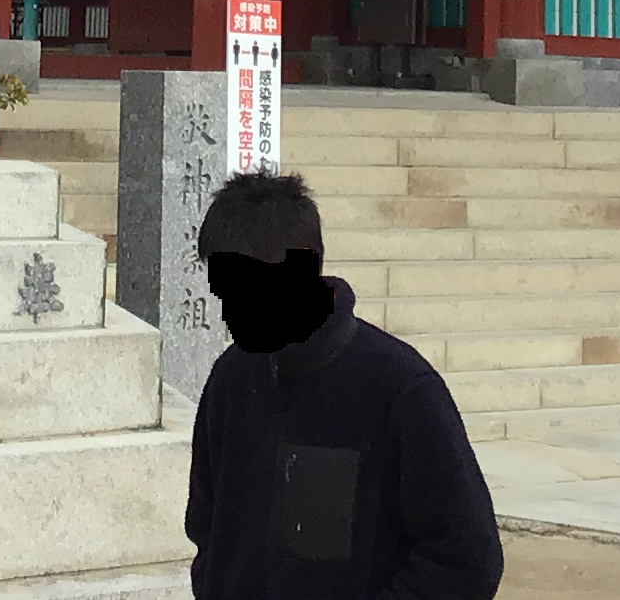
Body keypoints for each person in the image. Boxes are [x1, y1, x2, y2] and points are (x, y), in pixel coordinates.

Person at [183, 170, 503, 600]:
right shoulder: (232, 379)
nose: (228, 317)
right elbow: (206, 524)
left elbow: (466, 558)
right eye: (224, 296)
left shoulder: (402, 389)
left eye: (244, 295)